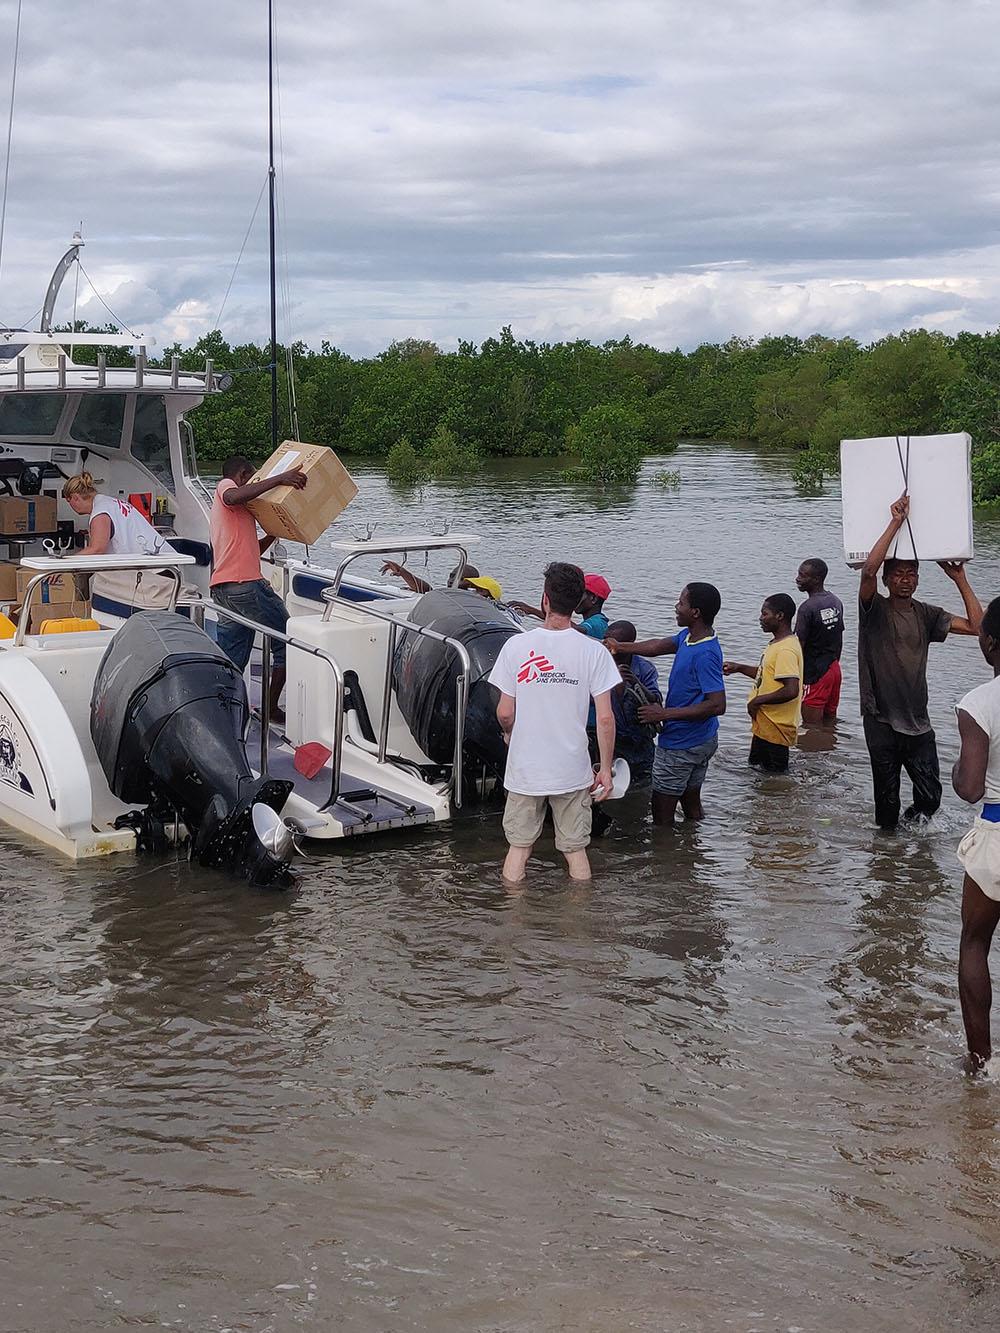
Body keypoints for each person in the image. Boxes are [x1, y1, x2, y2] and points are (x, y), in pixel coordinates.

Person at [488, 561, 620, 883]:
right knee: (575, 850)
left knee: (518, 848)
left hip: (526, 769)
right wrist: (604, 768)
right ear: (577, 604)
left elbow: (505, 712)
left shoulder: (516, 646)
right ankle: (578, 923)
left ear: (545, 599)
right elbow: (605, 718)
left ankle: (513, 922)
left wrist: (508, 734)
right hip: (572, 770)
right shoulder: (594, 652)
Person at [859, 493, 982, 828]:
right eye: (898, 573)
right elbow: (868, 570)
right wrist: (896, 522)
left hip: (918, 721)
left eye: (911, 573)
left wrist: (960, 579)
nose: (906, 579)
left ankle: (912, 841)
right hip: (881, 719)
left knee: (930, 797)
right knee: (886, 804)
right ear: (887, 580)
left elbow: (977, 627)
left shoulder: (927, 615)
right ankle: (887, 865)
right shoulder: (874, 611)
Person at [610, 583, 725, 824]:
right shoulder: (689, 637)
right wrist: (619, 646)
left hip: (681, 744)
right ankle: (695, 849)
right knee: (691, 801)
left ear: (695, 613)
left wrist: (663, 714)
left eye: (681, 603)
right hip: (703, 738)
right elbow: (658, 646)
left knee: (662, 814)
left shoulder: (705, 653)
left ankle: (666, 857)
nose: (676, 606)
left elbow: (717, 705)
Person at [210, 453, 307, 721]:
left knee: (233, 659)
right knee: (288, 640)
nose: (254, 485)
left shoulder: (236, 516)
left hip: (224, 589)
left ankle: (221, 712)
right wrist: (281, 478)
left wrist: (273, 533)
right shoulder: (225, 489)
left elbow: (252, 551)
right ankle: (271, 708)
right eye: (252, 479)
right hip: (245, 587)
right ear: (242, 476)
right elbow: (233, 495)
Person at [953, 596, 1000, 1073]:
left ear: (989, 645)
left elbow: (969, 788)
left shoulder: (979, 703)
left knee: (975, 943)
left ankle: (980, 1061)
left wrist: (954, 769)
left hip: (997, 836)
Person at [723, 593, 802, 773]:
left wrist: (757, 701)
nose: (760, 618)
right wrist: (740, 668)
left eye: (765, 614)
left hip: (776, 726)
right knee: (756, 773)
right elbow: (767, 675)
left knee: (775, 779)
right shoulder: (777, 643)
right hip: (765, 724)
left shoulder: (786, 649)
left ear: (780, 616)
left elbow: (791, 690)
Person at [589, 620, 662, 784]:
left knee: (641, 787)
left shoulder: (644, 668)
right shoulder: (597, 666)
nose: (608, 646)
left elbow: (655, 699)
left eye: (615, 642)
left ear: (629, 645)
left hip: (639, 742)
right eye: (606, 640)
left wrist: (635, 682)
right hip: (609, 743)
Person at [62, 473, 177, 558]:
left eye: (69, 501)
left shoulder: (100, 512)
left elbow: (97, 549)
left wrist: (66, 563)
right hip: (163, 560)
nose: (70, 506)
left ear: (75, 497)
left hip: (157, 569)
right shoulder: (110, 503)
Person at [794, 557, 845, 723]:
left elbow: (799, 646)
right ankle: (832, 748)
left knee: (811, 727)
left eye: (803, 576)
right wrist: (834, 664)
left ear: (816, 579)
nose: (797, 579)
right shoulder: (835, 601)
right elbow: (839, 638)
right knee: (830, 721)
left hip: (815, 675)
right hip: (834, 669)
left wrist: (793, 677)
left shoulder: (807, 608)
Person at [508, 572, 611, 637]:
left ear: (593, 598)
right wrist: (531, 611)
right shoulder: (591, 621)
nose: (573, 597)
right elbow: (562, 621)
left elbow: (574, 629)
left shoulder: (598, 623)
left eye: (578, 593)